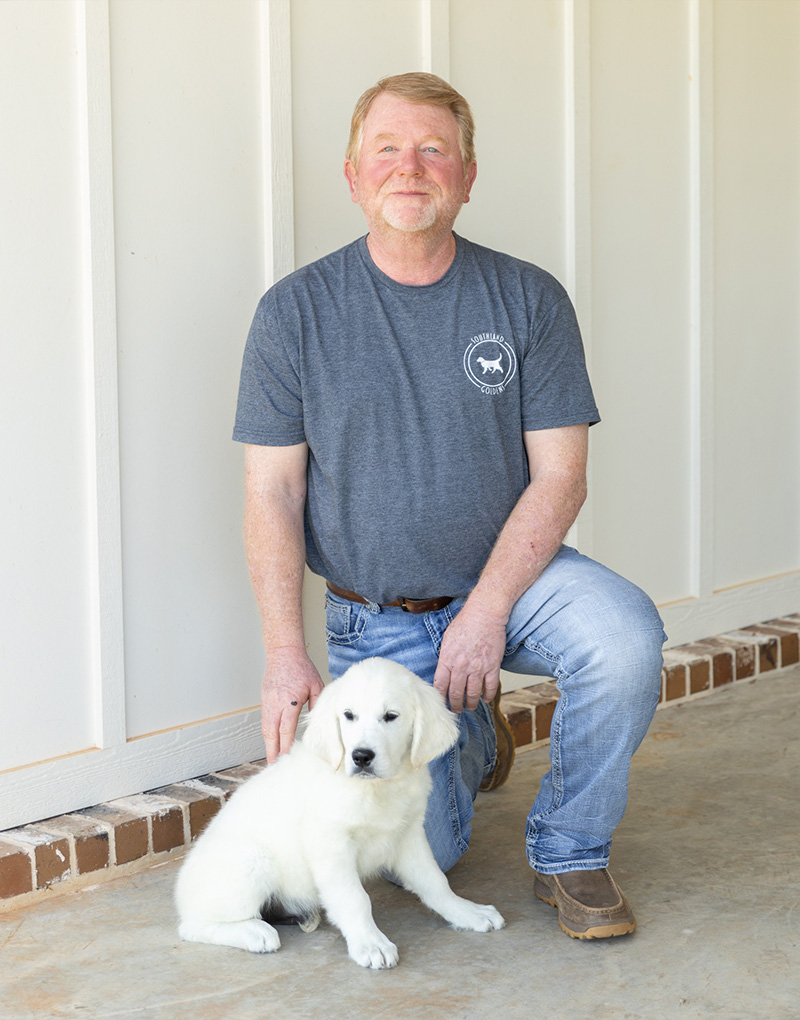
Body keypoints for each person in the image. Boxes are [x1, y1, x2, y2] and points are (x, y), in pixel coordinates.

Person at [233, 72, 666, 940]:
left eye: (435, 149)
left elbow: (562, 477)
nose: (411, 168)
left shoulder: (528, 299)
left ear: (468, 175)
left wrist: (490, 612)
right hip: (379, 619)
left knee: (625, 638)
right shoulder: (295, 314)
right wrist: (286, 653)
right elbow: (272, 491)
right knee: (412, 850)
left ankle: (572, 851)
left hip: (515, 583)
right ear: (353, 175)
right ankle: (469, 732)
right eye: (387, 149)